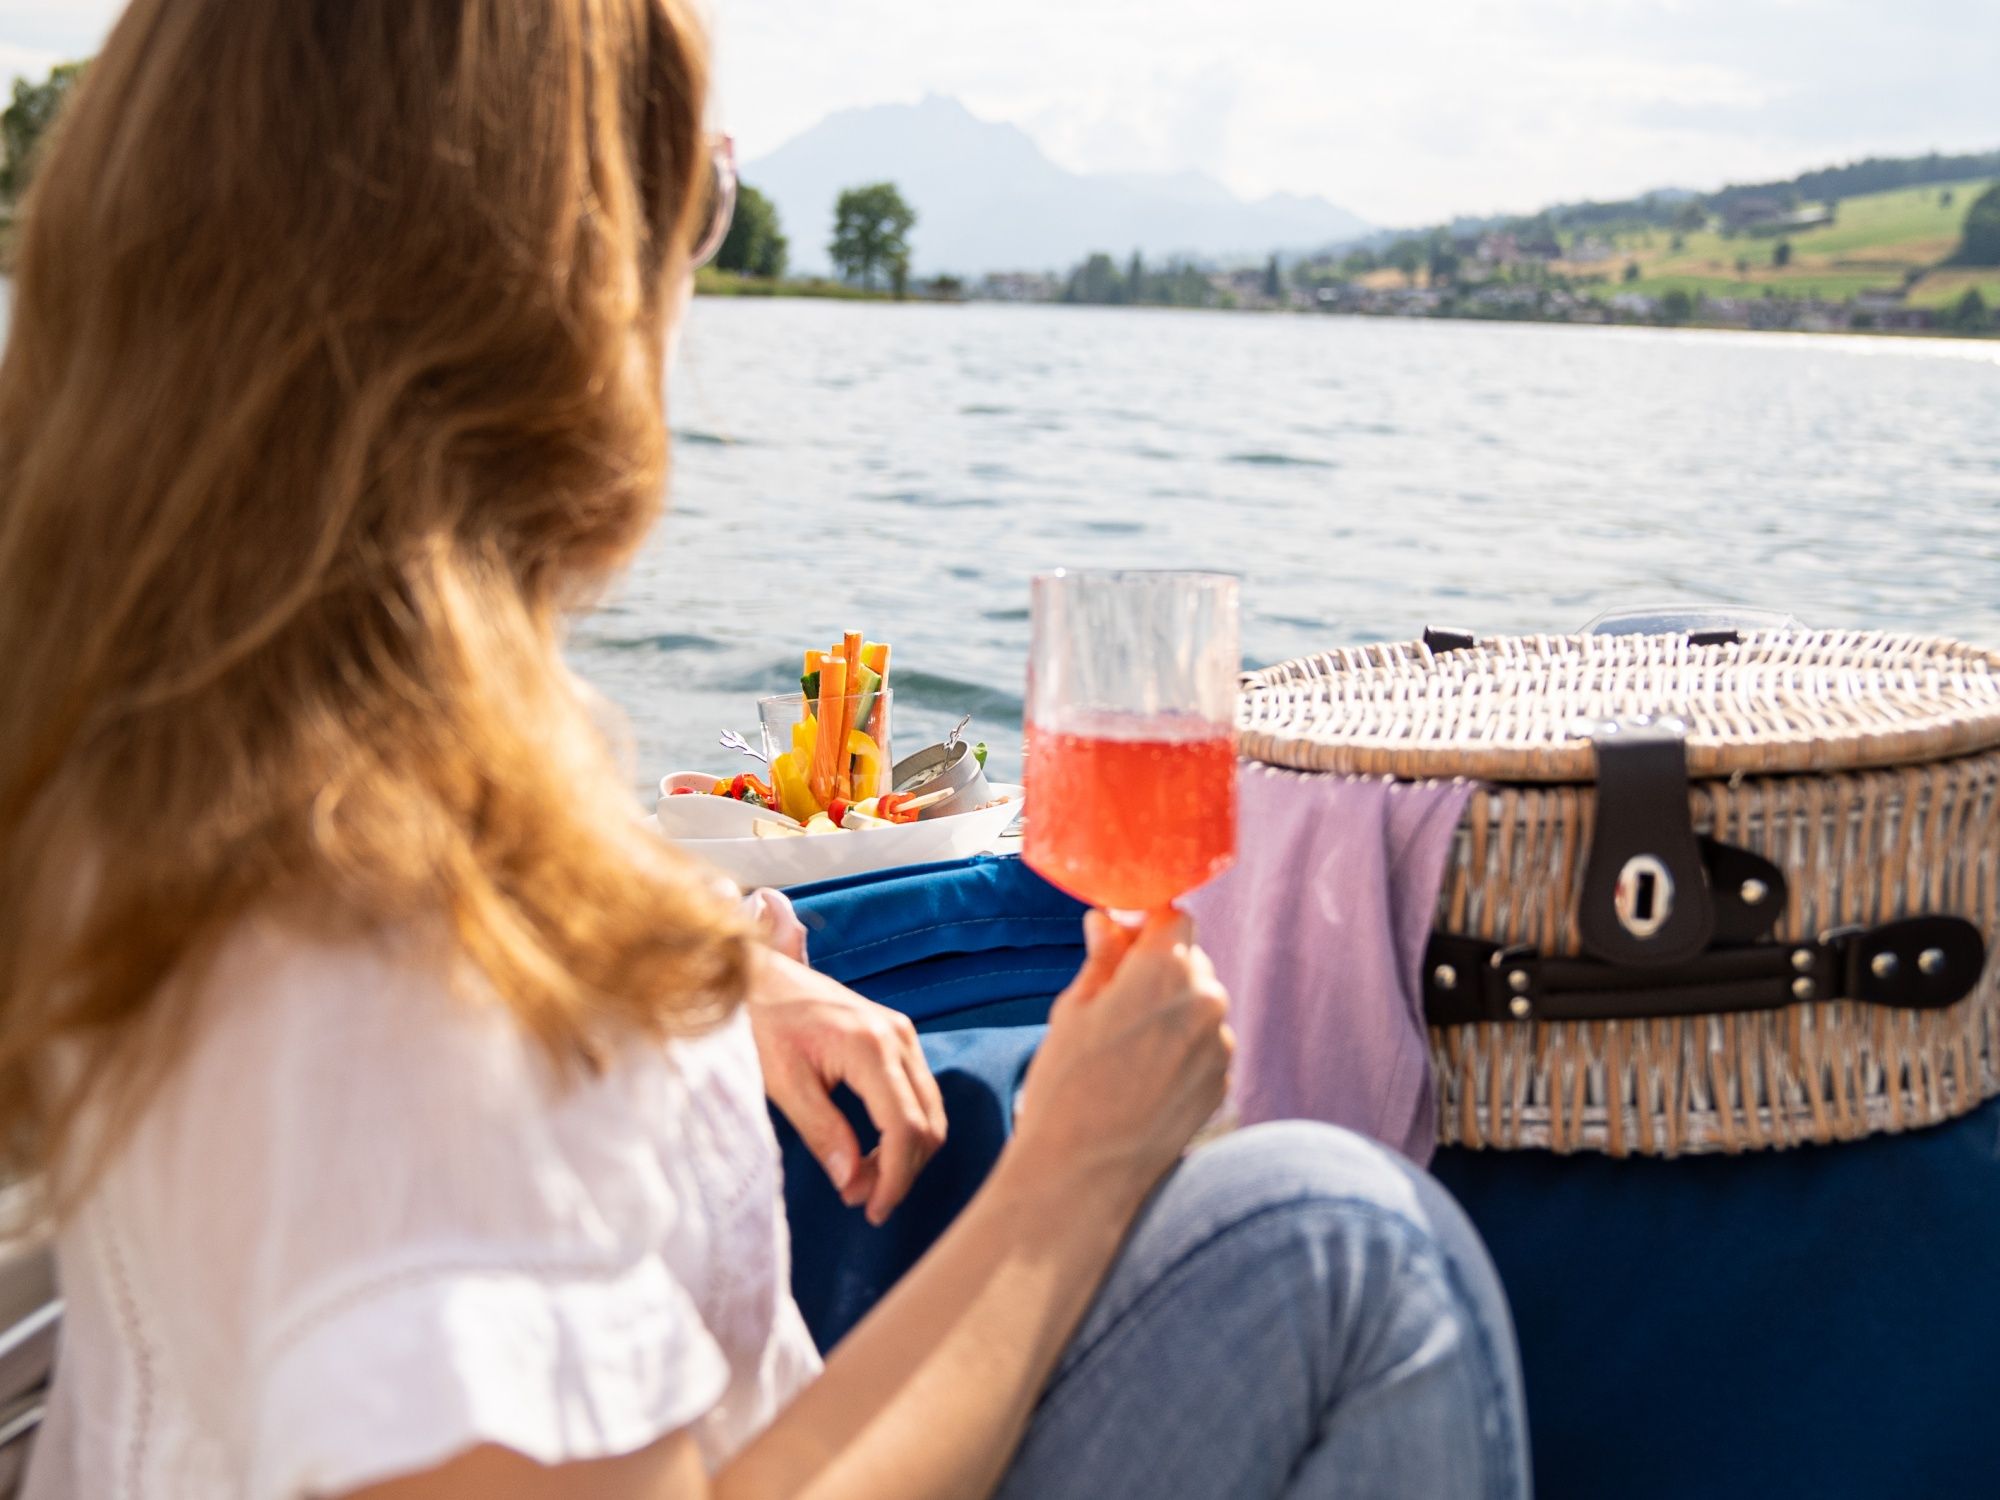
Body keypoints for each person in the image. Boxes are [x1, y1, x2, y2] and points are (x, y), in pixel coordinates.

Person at [0, 3, 1528, 1497]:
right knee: (1351, 1254)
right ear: (546, 283)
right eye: (699, 196)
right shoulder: (403, 977)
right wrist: (1078, 1169)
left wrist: (708, 970)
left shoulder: (162, 758)